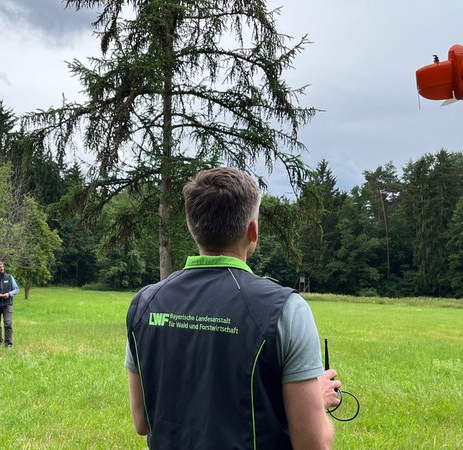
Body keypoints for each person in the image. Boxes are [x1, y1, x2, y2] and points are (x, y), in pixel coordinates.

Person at [125, 167, 343, 449]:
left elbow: (142, 422)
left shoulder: (144, 303)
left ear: (192, 227)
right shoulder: (286, 309)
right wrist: (316, 401)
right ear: (252, 231)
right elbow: (313, 444)